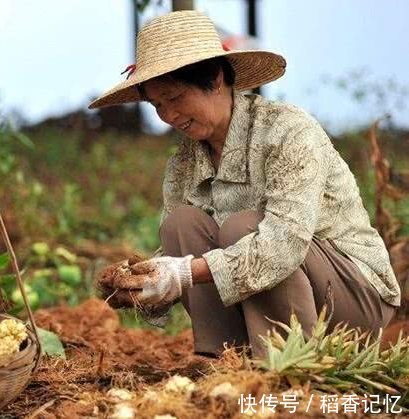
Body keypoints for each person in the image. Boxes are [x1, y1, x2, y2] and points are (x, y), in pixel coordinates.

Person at [91, 10, 399, 358]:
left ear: (216, 78)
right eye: (158, 104)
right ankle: (223, 359)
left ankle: (288, 365)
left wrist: (183, 273)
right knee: (182, 224)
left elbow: (283, 244)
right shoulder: (184, 163)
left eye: (175, 98)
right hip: (264, 298)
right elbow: (180, 261)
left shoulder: (288, 131)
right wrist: (143, 280)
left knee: (243, 227)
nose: (168, 116)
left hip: (351, 298)